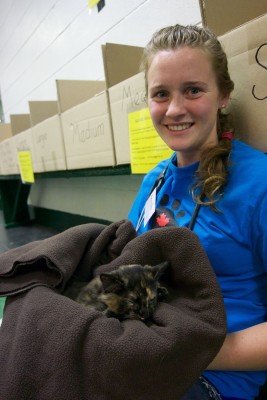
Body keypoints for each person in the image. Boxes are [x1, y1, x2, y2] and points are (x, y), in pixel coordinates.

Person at [128, 24, 267, 400]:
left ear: (223, 94)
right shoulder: (154, 181)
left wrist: (186, 351)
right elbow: (126, 267)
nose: (174, 109)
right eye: (161, 94)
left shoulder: (259, 185)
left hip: (213, 380)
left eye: (193, 90)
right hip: (148, 352)